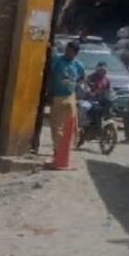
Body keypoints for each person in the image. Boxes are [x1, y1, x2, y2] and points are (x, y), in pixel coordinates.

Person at [47, 41, 85, 170]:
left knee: (71, 125)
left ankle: (66, 153)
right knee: (57, 126)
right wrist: (49, 92)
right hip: (58, 96)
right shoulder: (58, 60)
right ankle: (57, 152)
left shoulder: (78, 64)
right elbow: (50, 74)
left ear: (75, 53)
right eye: (67, 50)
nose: (68, 53)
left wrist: (75, 85)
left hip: (71, 96)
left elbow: (82, 77)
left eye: (71, 51)